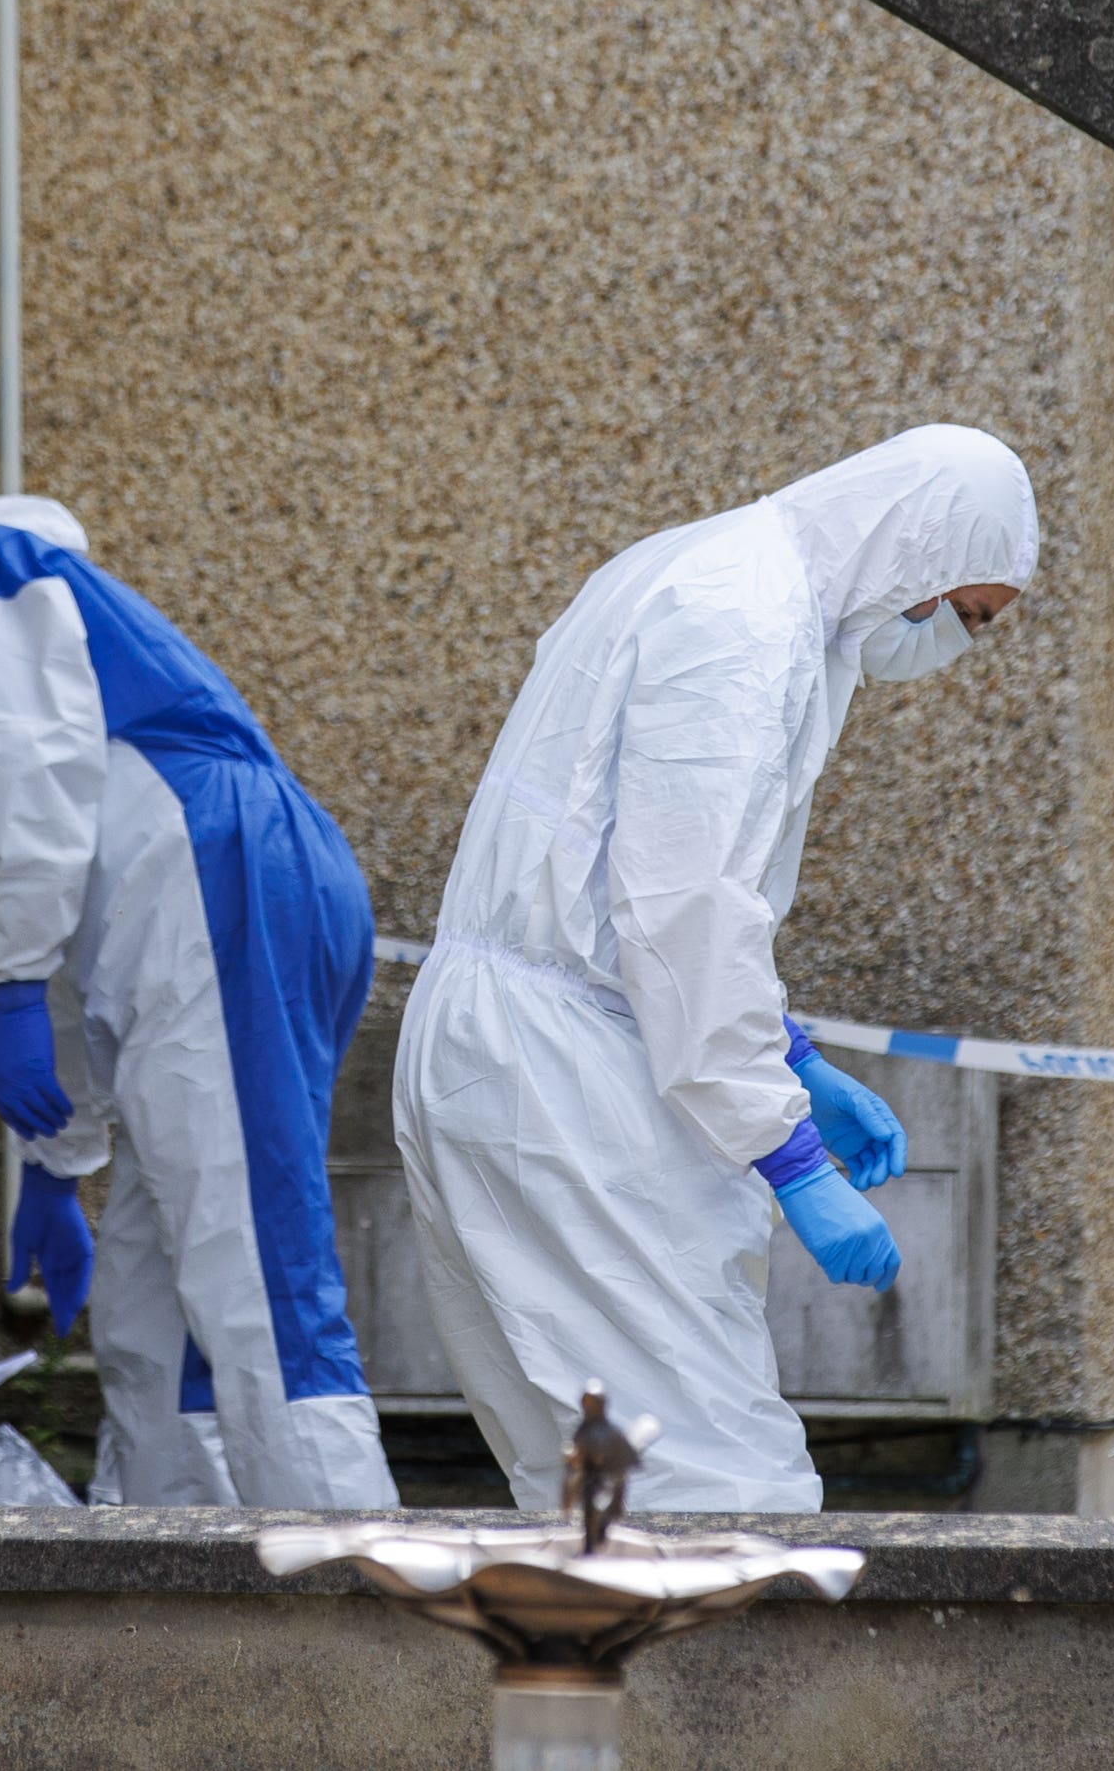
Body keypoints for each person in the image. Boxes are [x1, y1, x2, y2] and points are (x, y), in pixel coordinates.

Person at [393, 425, 1037, 1513]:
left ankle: (595, 1690)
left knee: (596, 1488)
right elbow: (679, 910)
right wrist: (785, 1149)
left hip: (525, 1042)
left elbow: (629, 878)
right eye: (963, 613)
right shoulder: (739, 622)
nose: (952, 644)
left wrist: (791, 1058)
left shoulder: (696, 570)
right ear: (914, 555)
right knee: (714, 1491)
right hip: (564, 1079)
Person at [0, 495, 400, 1511]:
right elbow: (57, 899)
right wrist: (58, 1162)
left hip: (213, 882)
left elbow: (32, 836)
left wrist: (5, 984)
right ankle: (185, 1576)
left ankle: (356, 1591)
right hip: (210, 896)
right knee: (152, 1305)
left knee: (254, 1270)